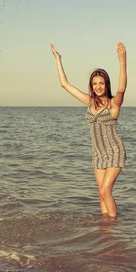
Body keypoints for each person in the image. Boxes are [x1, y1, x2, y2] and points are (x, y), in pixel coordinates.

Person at [50, 42, 127, 219]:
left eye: (101, 83)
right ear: (91, 86)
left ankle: (113, 225)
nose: (98, 86)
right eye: (94, 84)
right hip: (98, 154)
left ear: (106, 84)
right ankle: (105, 228)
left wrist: (122, 61)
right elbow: (64, 84)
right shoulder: (90, 102)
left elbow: (121, 88)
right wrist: (58, 59)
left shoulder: (113, 104)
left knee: (105, 191)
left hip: (114, 151)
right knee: (100, 194)